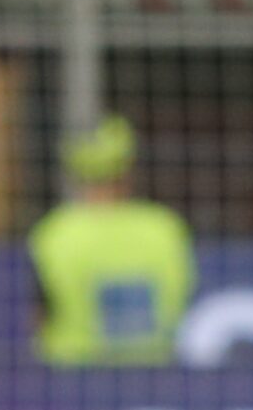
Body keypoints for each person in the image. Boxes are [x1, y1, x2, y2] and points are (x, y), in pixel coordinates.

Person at [29, 115, 196, 366]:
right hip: (152, 370)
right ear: (128, 168)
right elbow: (185, 294)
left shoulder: (54, 233)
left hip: (73, 372)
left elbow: (42, 311)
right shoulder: (164, 227)